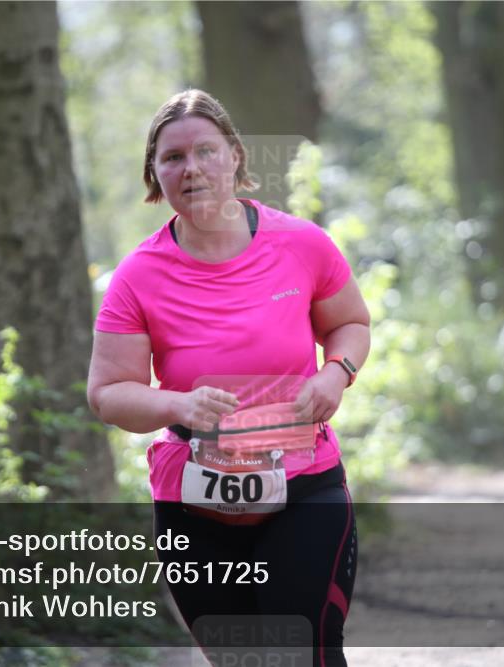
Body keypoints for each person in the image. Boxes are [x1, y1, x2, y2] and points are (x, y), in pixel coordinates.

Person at [87, 89, 370, 667]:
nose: (190, 168)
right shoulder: (138, 275)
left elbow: (351, 324)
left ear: (235, 155)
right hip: (193, 507)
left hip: (304, 488)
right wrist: (178, 406)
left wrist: (335, 374)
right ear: (155, 173)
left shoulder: (301, 244)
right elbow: (108, 394)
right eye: (172, 157)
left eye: (205, 151)